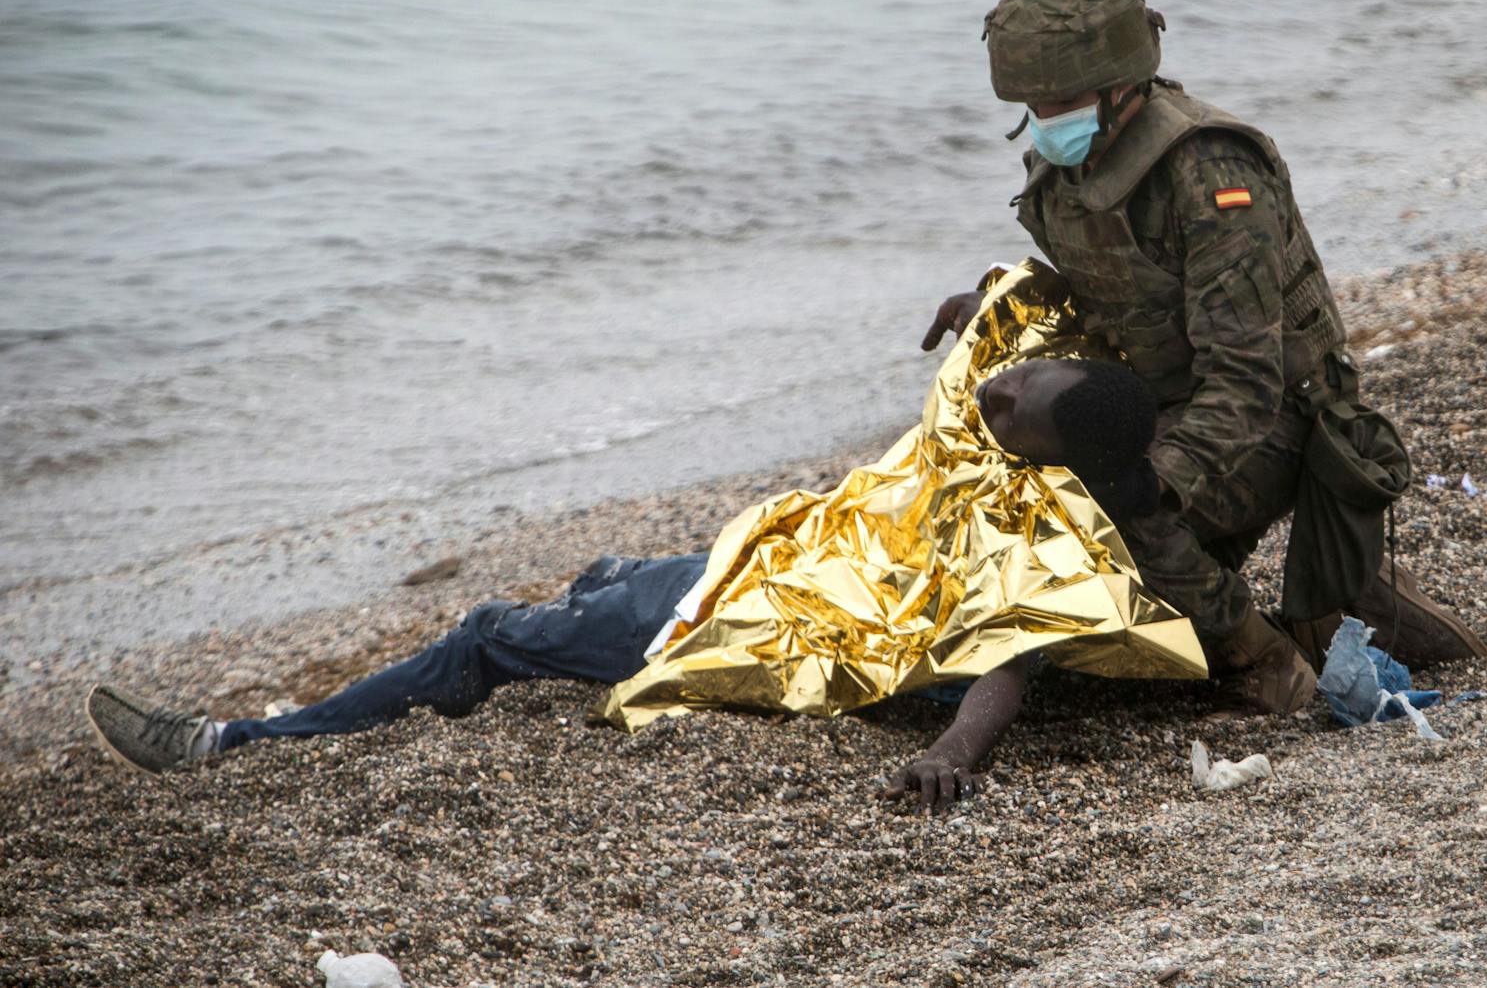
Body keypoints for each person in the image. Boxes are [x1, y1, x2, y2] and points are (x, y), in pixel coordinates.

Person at [86, 358, 1169, 810]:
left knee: (485, 634)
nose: (998, 385)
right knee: (601, 575)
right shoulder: (1016, 471)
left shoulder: (1041, 549)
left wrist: (948, 752)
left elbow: (1010, 664)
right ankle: (564, 624)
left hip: (749, 623)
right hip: (758, 563)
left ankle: (234, 742)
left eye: (1018, 394)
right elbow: (1016, 325)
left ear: (1049, 453)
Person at [922, 0, 1486, 718]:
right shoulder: (1072, 168)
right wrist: (996, 304)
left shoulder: (1209, 174)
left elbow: (1248, 381)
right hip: (1173, 399)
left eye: (1061, 101)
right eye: (1033, 104)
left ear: (1120, 82)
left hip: (1283, 419)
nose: (1045, 120)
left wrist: (1156, 481)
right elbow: (1114, 294)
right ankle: (1341, 590)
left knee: (1121, 522)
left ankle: (1268, 660)